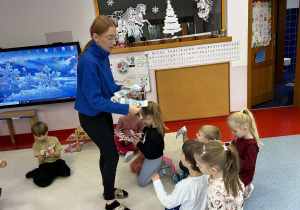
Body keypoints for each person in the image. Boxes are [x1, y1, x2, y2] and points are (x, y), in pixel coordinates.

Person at [74, 15, 140, 210]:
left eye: (115, 36)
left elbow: (109, 86)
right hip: (90, 115)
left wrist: (127, 90)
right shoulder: (89, 61)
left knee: (106, 151)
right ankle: (110, 202)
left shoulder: (102, 55)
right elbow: (94, 100)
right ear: (95, 37)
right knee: (111, 155)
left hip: (101, 112)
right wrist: (126, 107)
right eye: (110, 37)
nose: (115, 42)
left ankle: (107, 190)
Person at [152, 140, 209, 210]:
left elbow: (168, 203)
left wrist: (157, 182)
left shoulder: (183, 186)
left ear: (188, 163)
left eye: (182, 153)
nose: (180, 153)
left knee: (168, 208)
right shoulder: (209, 175)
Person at [132, 101, 177, 187]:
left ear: (148, 117)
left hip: (153, 158)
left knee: (142, 182)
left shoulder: (153, 134)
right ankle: (156, 166)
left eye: (143, 118)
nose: (142, 120)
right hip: (150, 152)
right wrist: (141, 136)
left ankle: (164, 169)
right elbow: (147, 138)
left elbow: (148, 153)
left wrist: (138, 144)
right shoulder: (150, 127)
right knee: (133, 167)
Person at [194, 140, 244, 209]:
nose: (196, 165)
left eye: (199, 165)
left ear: (213, 170)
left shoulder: (213, 190)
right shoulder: (232, 173)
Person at [227, 108, 261, 199]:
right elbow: (232, 147)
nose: (232, 133)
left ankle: (247, 188)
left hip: (244, 174)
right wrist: (225, 147)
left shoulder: (251, 146)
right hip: (236, 168)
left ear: (245, 129)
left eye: (234, 131)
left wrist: (234, 157)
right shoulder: (239, 137)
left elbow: (248, 165)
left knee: (235, 196)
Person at [25, 121, 70, 187]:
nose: (42, 138)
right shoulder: (36, 145)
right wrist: (40, 155)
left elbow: (58, 155)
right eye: (39, 136)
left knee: (67, 172)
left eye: (44, 135)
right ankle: (36, 173)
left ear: (47, 132)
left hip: (57, 161)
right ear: (34, 136)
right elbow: (41, 161)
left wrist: (53, 153)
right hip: (45, 164)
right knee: (42, 183)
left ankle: (51, 173)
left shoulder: (54, 139)